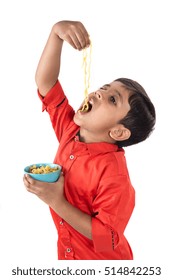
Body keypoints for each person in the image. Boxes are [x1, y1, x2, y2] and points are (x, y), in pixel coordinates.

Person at [23, 20, 156, 260]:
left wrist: (56, 200)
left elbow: (107, 238)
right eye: (105, 87)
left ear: (118, 132)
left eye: (113, 99)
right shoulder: (71, 131)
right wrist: (56, 33)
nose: (99, 92)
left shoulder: (115, 175)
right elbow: (46, 83)